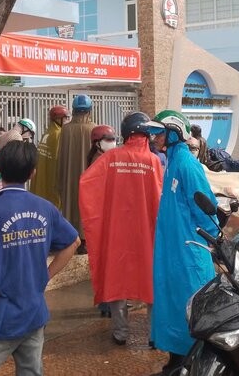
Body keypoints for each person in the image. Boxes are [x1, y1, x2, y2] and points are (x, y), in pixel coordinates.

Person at [0, 141, 80, 376]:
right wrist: (46, 275)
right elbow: (74, 242)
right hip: (35, 312)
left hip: (2, 316)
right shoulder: (46, 208)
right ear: (33, 173)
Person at [79, 112, 163, 346]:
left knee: (117, 280)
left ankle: (120, 332)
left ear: (125, 133)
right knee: (151, 280)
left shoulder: (110, 158)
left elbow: (86, 183)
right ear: (147, 134)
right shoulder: (154, 162)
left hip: (116, 232)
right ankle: (154, 335)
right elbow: (159, 198)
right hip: (146, 233)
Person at [146, 110, 218, 375]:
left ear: (174, 133)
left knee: (189, 307)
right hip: (173, 250)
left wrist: (209, 239)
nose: (153, 138)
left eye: (158, 133)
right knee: (174, 304)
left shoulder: (187, 164)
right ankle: (177, 359)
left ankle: (190, 361)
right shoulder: (171, 161)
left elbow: (207, 208)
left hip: (189, 251)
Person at [58, 94, 96, 254]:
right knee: (86, 205)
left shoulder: (65, 130)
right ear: (89, 111)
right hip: (89, 177)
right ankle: (85, 240)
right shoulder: (94, 128)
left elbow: (61, 157)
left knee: (70, 202)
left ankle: (71, 237)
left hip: (68, 176)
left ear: (74, 110)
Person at [30, 106, 69, 208]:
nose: (66, 121)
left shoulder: (47, 133)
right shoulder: (59, 134)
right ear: (58, 119)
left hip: (41, 181)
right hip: (53, 179)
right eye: (65, 118)